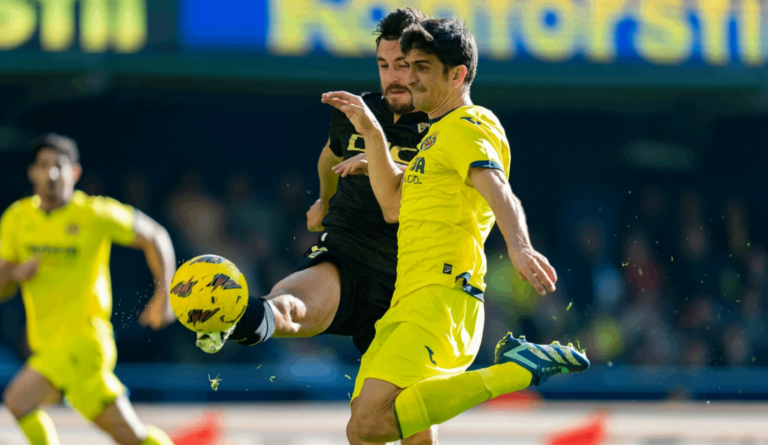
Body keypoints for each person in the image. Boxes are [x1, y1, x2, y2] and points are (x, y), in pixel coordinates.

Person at [322, 17, 590, 444]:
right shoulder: (435, 137)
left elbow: (495, 186)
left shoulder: (469, 125)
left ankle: (518, 369)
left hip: (442, 296)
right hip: (411, 296)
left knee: (372, 423)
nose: (409, 77)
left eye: (422, 67)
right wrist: (373, 135)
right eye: (406, 66)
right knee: (376, 428)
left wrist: (519, 247)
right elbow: (393, 205)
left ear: (458, 74)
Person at [195, 8, 437, 443]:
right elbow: (330, 153)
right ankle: (241, 318)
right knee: (287, 306)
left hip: (412, 282)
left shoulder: (450, 124)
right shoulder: (358, 111)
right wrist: (324, 200)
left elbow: (426, 190)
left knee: (389, 426)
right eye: (384, 65)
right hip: (348, 252)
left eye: (403, 65)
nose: (393, 76)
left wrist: (384, 161)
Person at [0, 134, 177, 445]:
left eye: (59, 166)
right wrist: (16, 271)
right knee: (131, 436)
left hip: (85, 342)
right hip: (49, 347)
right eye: (43, 165)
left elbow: (155, 235)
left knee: (18, 400)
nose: (51, 173)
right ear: (32, 172)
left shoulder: (93, 214)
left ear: (75, 173)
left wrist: (164, 296)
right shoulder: (16, 218)